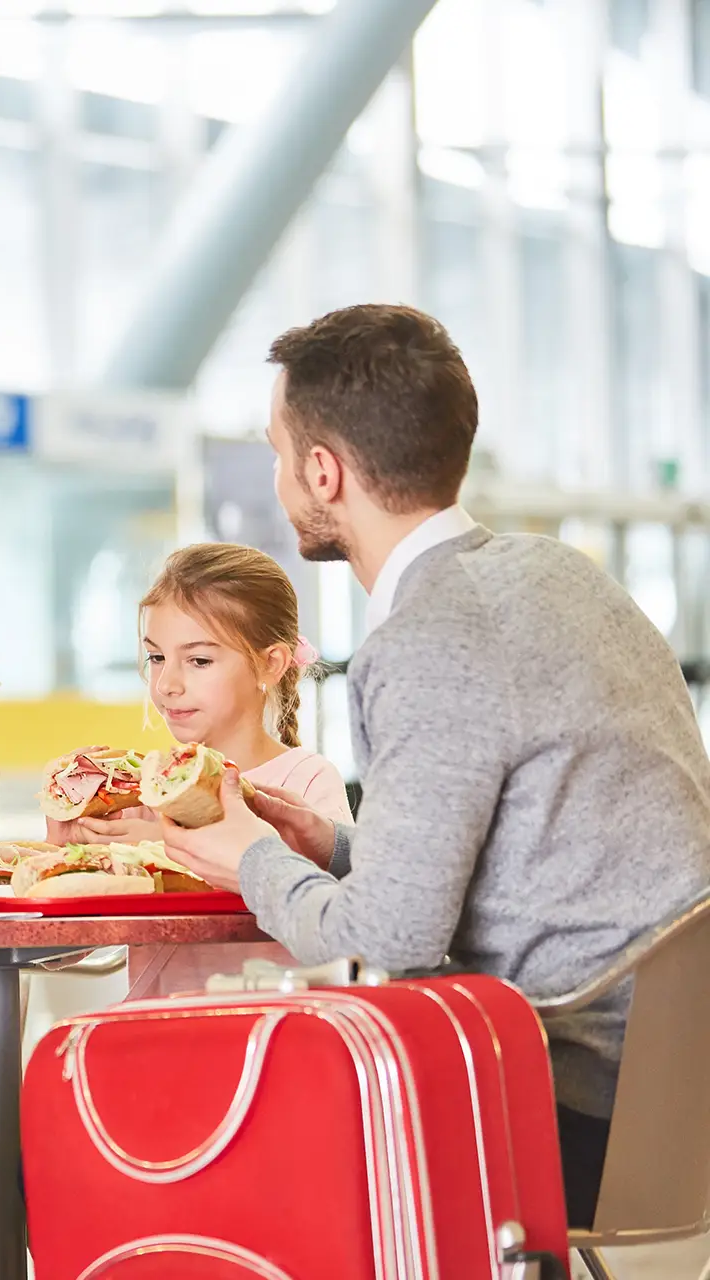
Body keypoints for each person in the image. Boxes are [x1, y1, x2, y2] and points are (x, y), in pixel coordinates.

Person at [157, 303, 710, 1227]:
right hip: (676, 1092)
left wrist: (248, 854)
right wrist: (330, 843)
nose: (282, 476)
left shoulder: (424, 640)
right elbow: (521, 855)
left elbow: (386, 948)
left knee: (229, 1131)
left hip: (570, 1108)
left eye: (279, 452)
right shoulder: (560, 575)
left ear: (322, 473)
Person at [50, 542, 354, 995]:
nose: (167, 684)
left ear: (270, 664)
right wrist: (64, 852)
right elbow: (63, 951)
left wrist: (164, 852)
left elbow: (336, 931)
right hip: (157, 1033)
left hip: (267, 1034)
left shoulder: (306, 781)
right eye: (156, 658)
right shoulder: (143, 793)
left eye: (199, 660)